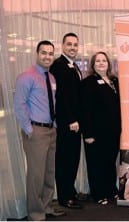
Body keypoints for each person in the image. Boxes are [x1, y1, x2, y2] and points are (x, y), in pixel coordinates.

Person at [13, 40, 66, 220]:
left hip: (51, 131)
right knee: (36, 175)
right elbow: (19, 106)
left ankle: (46, 206)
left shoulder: (51, 78)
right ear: (37, 54)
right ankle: (35, 213)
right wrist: (29, 129)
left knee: (49, 172)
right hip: (36, 132)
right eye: (44, 53)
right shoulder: (26, 77)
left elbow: (52, 103)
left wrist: (55, 126)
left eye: (50, 54)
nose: (47, 56)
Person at [80, 51, 121, 205]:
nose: (101, 63)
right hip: (96, 133)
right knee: (96, 163)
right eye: (98, 61)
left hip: (113, 131)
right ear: (93, 64)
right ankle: (98, 193)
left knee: (110, 162)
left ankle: (111, 190)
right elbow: (85, 110)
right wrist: (88, 133)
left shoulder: (115, 81)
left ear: (108, 64)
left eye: (104, 60)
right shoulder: (88, 82)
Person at [49, 32, 83, 209]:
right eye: (69, 44)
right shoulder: (59, 65)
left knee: (73, 158)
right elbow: (61, 96)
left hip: (76, 122)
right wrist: (71, 119)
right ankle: (65, 197)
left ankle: (70, 191)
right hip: (67, 122)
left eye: (75, 45)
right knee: (65, 159)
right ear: (62, 46)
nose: (72, 47)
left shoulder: (72, 65)